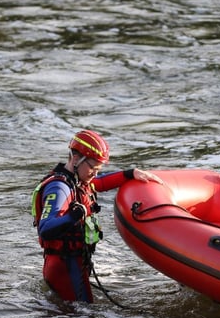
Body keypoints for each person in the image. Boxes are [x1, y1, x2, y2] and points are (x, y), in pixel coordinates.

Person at [30, 129, 163, 303]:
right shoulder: (59, 188)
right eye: (93, 167)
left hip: (74, 263)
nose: (95, 174)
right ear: (76, 159)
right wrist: (74, 216)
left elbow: (99, 183)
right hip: (64, 266)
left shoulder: (78, 180)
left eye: (98, 169)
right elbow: (46, 229)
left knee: (76, 316)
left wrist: (130, 173)